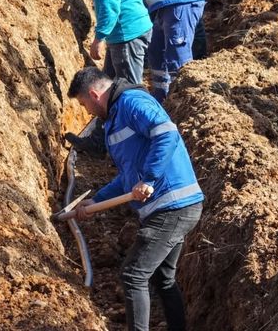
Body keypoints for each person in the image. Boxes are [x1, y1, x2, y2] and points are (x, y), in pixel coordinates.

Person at [68, 66, 203, 331]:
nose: (87, 113)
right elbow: (129, 177)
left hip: (171, 205)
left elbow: (166, 133)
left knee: (132, 275)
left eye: (84, 104)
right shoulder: (116, 116)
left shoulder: (132, 102)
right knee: (163, 278)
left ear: (95, 94)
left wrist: (150, 179)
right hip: (171, 207)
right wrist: (96, 201)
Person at [66, 0, 153, 155]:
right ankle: (100, 141)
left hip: (124, 32)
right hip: (134, 25)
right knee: (107, 90)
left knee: (128, 96)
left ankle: (137, 148)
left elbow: (109, 1)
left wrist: (99, 37)